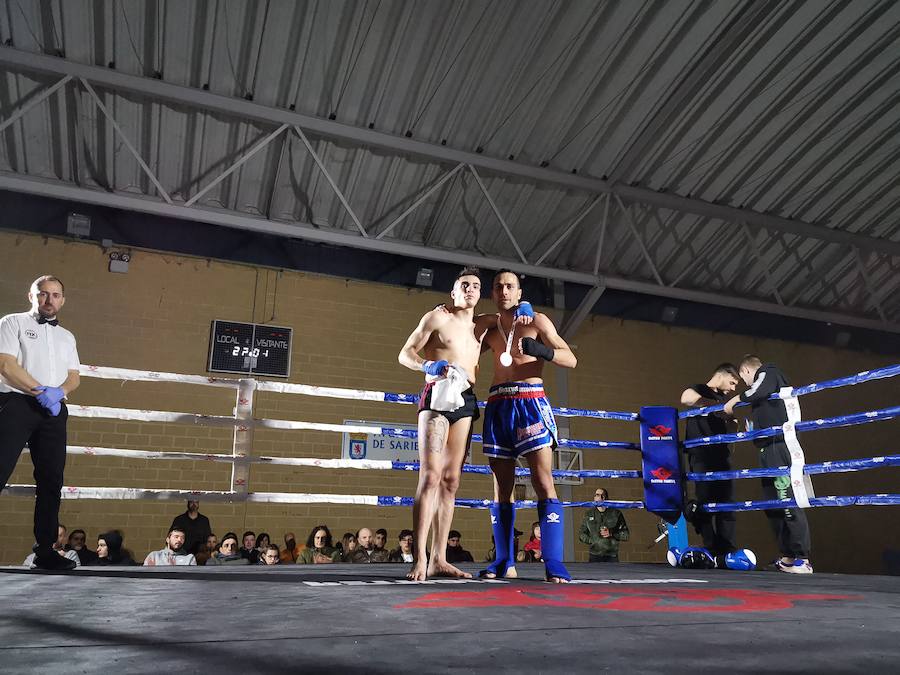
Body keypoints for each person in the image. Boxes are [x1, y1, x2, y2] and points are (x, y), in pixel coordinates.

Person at [475, 270, 577, 583]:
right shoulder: (489, 326)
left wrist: (541, 350)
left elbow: (570, 359)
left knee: (542, 479)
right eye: (498, 286)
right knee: (501, 487)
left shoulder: (538, 321)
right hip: (498, 405)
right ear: (493, 293)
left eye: (510, 286)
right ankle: (505, 561)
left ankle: (554, 563)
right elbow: (459, 339)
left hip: (530, 402)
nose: (504, 290)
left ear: (519, 292)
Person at [398, 266, 485, 580]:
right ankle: (419, 558)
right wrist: (427, 364)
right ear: (454, 291)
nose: (470, 289)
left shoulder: (483, 326)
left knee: (451, 481)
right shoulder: (436, 317)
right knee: (430, 476)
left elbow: (514, 324)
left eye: (475, 285)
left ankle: (440, 558)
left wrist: (526, 310)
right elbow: (404, 353)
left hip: (466, 398)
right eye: (464, 284)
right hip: (436, 395)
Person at [0, 276, 81, 571]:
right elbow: (6, 364)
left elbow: (74, 376)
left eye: (55, 295)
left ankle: (45, 552)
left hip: (53, 410)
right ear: (31, 295)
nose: (49, 300)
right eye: (43, 294)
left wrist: (59, 393)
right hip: (15, 404)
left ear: (62, 300)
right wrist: (39, 391)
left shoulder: (67, 337)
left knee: (51, 482)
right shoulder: (12, 322)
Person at [724, 355, 813, 574]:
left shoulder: (770, 371)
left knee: (787, 500)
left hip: (780, 447)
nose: (744, 384)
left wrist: (734, 401)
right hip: (766, 450)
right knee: (773, 506)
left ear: (746, 371)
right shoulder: (762, 395)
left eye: (743, 379)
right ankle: (788, 557)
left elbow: (757, 391)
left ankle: (803, 558)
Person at [681, 364, 741, 557]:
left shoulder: (724, 400)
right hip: (701, 456)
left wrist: (732, 423)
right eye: (732, 382)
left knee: (728, 503)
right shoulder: (699, 388)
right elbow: (685, 398)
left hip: (721, 457)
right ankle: (711, 546)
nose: (733, 388)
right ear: (722, 375)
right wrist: (715, 409)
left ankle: (727, 549)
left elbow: (731, 431)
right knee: (705, 503)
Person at [578, 488, 630, 562]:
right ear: (594, 498)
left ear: (606, 498)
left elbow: (626, 535)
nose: (600, 497)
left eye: (603, 495)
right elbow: (581, 534)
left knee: (613, 573)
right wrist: (593, 540)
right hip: (594, 556)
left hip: (612, 556)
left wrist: (612, 533)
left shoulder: (616, 514)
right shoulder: (589, 514)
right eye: (597, 495)